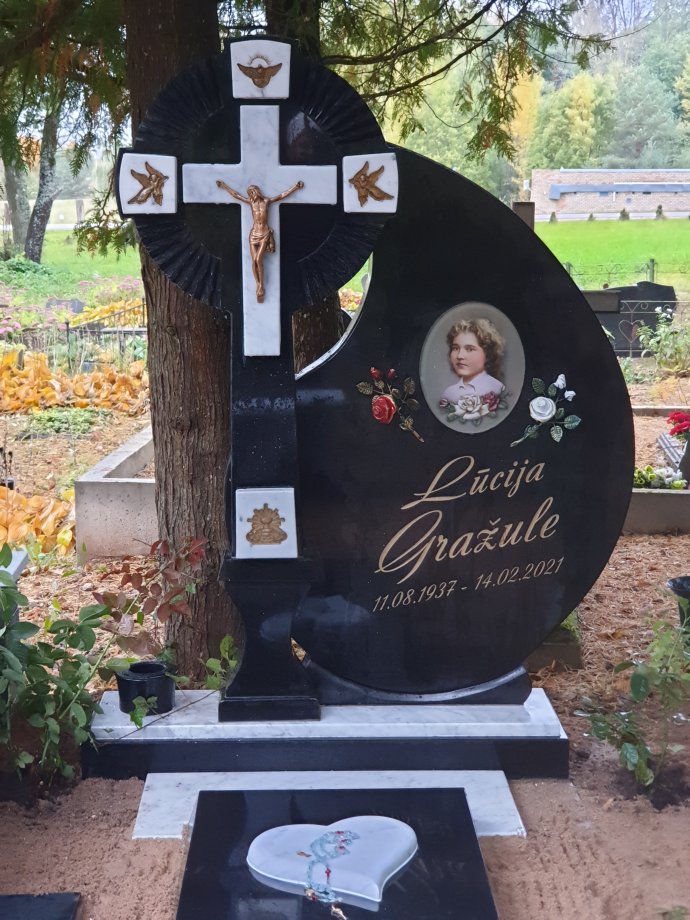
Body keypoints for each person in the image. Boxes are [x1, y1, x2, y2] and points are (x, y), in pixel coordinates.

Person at [216, 179, 304, 302]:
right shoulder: (251, 202)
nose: (251, 195)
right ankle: (258, 285)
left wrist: (295, 187)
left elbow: (281, 196)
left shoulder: (266, 201)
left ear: (257, 192)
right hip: (253, 234)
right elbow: (237, 195)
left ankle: (261, 285)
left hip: (264, 233)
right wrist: (224, 186)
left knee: (258, 259)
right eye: (250, 193)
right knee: (254, 261)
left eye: (252, 192)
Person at [441, 318, 505, 404]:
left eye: (469, 349)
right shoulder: (448, 394)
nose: (459, 356)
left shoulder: (497, 389)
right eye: (455, 348)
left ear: (487, 353)